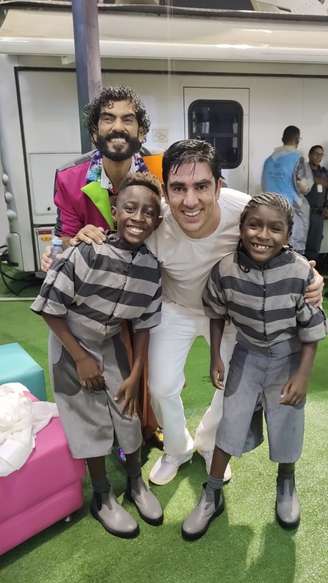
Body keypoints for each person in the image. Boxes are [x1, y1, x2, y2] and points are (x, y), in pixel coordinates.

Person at [61, 139, 323, 487]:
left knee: (230, 386)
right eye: (178, 188)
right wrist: (77, 241)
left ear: (218, 186)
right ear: (166, 191)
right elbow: (116, 246)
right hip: (176, 308)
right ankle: (177, 448)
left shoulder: (242, 210)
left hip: (230, 316)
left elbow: (278, 241)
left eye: (201, 186)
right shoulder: (157, 224)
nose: (190, 200)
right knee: (162, 385)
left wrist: (313, 275)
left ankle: (208, 443)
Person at [181, 193, 326, 541]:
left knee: (287, 421)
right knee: (230, 420)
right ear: (242, 228)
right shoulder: (226, 269)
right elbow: (217, 313)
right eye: (254, 225)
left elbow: (312, 329)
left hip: (287, 360)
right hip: (245, 356)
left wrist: (303, 374)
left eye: (275, 229)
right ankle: (212, 491)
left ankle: (286, 482)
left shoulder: (300, 272)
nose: (263, 235)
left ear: (288, 234)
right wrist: (216, 355)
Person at [32, 173, 163, 539]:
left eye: (149, 212)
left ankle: (136, 482)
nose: (139, 217)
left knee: (127, 410)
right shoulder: (86, 252)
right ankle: (103, 496)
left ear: (158, 220)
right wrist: (80, 358)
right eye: (131, 208)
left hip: (110, 342)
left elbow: (143, 326)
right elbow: (49, 307)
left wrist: (137, 374)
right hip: (71, 340)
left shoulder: (151, 269)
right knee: (88, 416)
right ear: (116, 211)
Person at [42, 85, 160, 440]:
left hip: (146, 287)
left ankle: (148, 427)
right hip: (93, 292)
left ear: (141, 130)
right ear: (95, 131)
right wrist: (65, 247)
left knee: (151, 366)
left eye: (128, 119)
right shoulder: (70, 178)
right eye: (108, 119)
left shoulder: (161, 173)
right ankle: (104, 433)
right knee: (96, 363)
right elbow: (63, 236)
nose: (117, 126)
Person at [262, 125, 313, 254]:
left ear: (282, 138)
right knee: (293, 249)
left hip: (270, 208)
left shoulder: (269, 160)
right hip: (292, 210)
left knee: (273, 245)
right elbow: (304, 187)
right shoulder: (298, 159)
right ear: (297, 139)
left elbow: (264, 184)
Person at [305, 145, 328, 262]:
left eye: (321, 154)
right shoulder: (303, 171)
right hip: (303, 213)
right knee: (300, 243)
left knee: (314, 245)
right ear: (309, 155)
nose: (318, 157)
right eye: (316, 153)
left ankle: (312, 272)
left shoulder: (324, 173)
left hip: (318, 214)